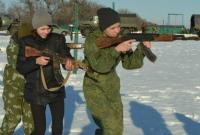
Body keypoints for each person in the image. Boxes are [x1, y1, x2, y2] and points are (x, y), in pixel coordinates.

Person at [83, 7, 152, 135]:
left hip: (112, 86)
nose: (117, 31)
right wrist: (116, 50)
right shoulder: (92, 40)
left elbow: (130, 63)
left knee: (117, 127)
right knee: (111, 127)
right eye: (113, 28)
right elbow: (100, 66)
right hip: (94, 87)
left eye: (118, 26)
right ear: (104, 27)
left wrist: (141, 49)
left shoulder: (119, 38)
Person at [16, 9, 74, 135]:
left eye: (48, 28)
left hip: (56, 88)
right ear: (35, 27)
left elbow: (66, 56)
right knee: (39, 130)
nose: (46, 32)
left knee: (57, 128)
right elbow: (20, 67)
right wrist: (36, 62)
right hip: (36, 91)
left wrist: (69, 64)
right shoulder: (26, 42)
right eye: (42, 29)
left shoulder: (58, 39)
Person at [0, 22, 34, 135]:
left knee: (31, 121)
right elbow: (17, 62)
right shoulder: (14, 44)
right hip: (13, 88)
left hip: (30, 87)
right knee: (13, 117)